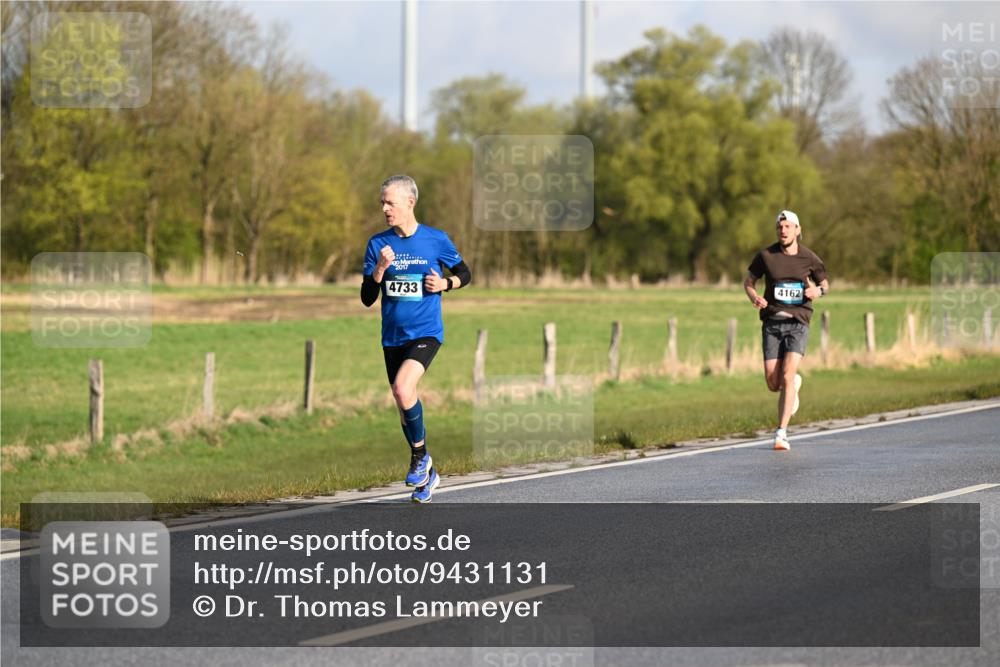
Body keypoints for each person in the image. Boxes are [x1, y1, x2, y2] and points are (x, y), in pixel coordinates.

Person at [360, 175, 472, 502]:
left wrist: (446, 285)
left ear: (410, 202)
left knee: (402, 388)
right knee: (403, 402)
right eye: (382, 202)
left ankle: (420, 457)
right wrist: (379, 270)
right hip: (392, 337)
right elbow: (368, 297)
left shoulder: (436, 240)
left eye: (389, 202)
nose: (384, 208)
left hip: (426, 334)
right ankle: (428, 476)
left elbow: (465, 273)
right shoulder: (377, 245)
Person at [743, 210, 829, 451]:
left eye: (788, 227)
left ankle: (781, 433)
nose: (783, 231)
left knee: (788, 375)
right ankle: (792, 386)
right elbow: (749, 281)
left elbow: (825, 284)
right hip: (772, 323)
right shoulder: (766, 256)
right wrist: (754, 297)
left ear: (797, 230)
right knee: (773, 382)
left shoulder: (808, 258)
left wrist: (817, 292)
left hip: (798, 322)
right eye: (780, 227)